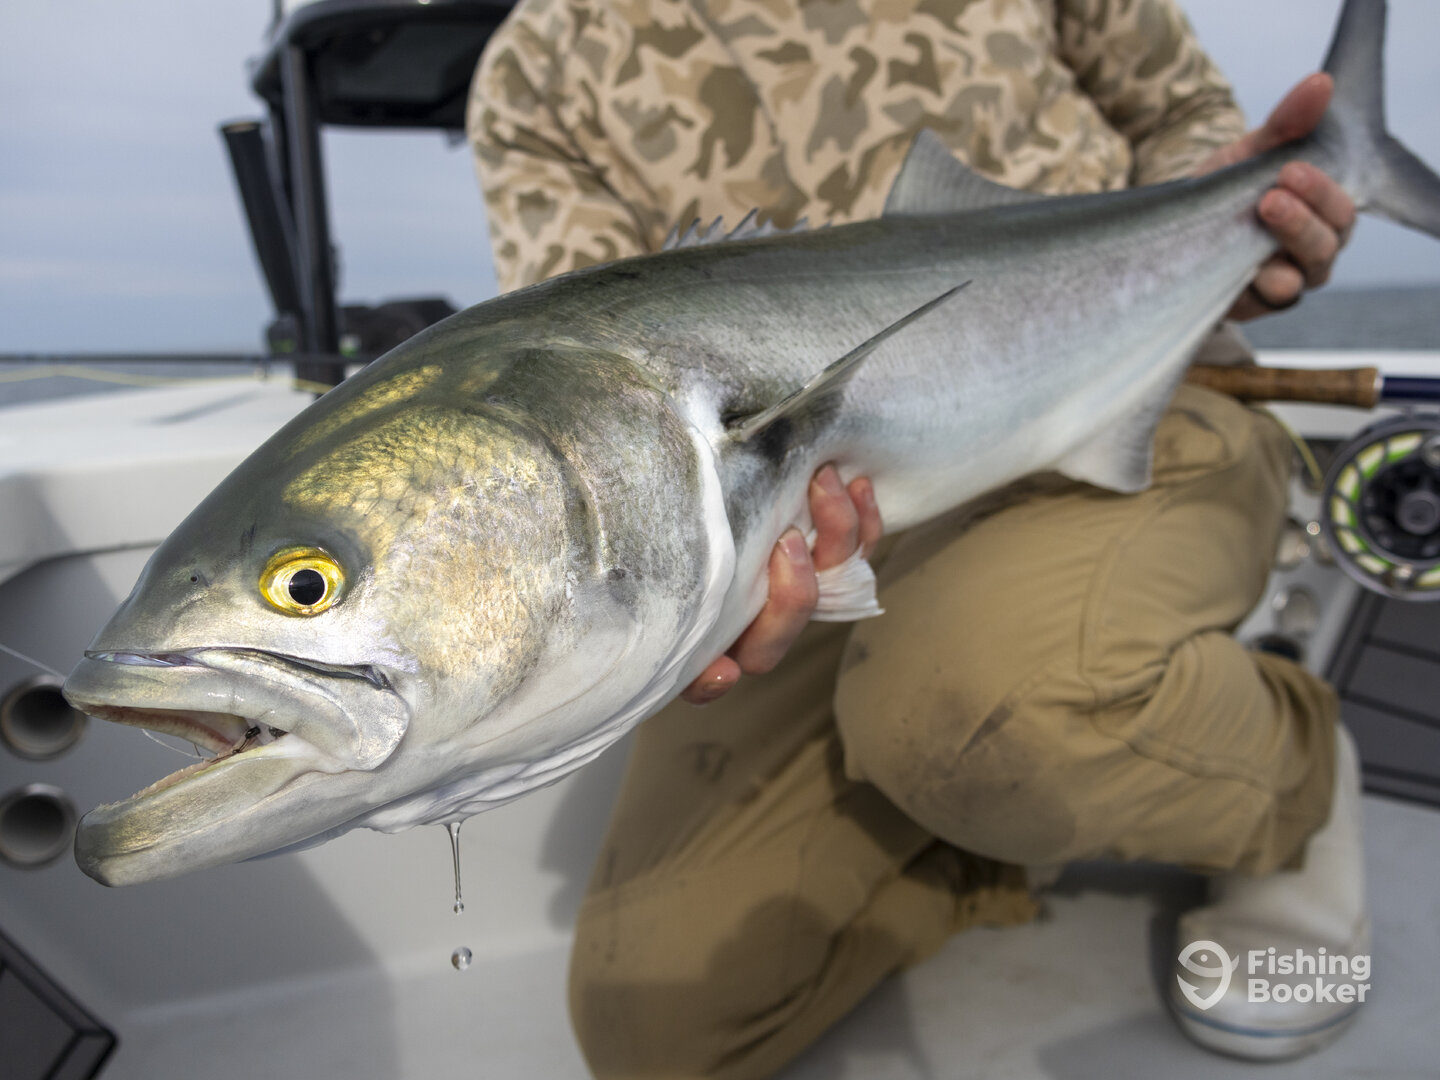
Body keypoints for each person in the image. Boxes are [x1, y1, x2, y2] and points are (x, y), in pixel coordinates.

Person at [466, 1, 1363, 1074]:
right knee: (662, 1028)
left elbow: (1179, 112)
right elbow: (585, 386)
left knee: (987, 711)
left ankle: (1294, 768)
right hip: (810, 538)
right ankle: (991, 801)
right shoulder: (543, 60)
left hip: (1127, 391)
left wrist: (1242, 208)